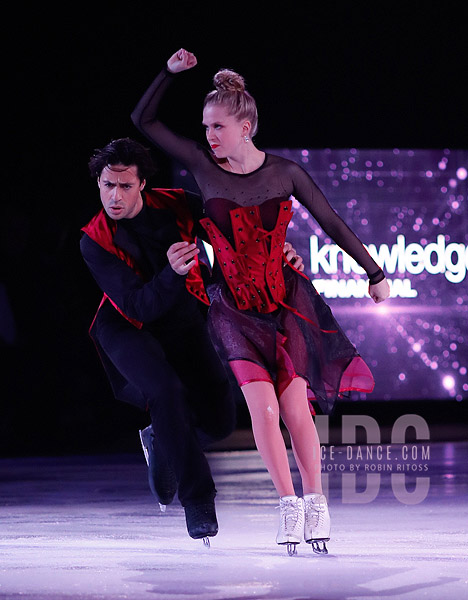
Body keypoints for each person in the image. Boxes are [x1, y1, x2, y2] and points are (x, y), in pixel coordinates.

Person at [131, 49, 390, 555]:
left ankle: (316, 503)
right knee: (264, 410)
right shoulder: (203, 167)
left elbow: (332, 223)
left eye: (218, 126)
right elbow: (143, 120)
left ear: (246, 125)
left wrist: (374, 272)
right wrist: (167, 72)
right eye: (205, 126)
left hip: (286, 305)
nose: (208, 135)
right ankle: (289, 506)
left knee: (297, 411)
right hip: (234, 310)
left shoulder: (285, 173)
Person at [80, 137, 303, 546]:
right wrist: (172, 273)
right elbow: (138, 305)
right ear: (98, 182)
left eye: (125, 186)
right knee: (165, 392)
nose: (115, 195)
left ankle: (162, 439)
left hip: (180, 318)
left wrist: (276, 251)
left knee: (220, 420)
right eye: (107, 185)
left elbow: (234, 226)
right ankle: (198, 500)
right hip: (127, 325)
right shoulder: (93, 239)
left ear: (143, 184)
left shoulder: (179, 202)